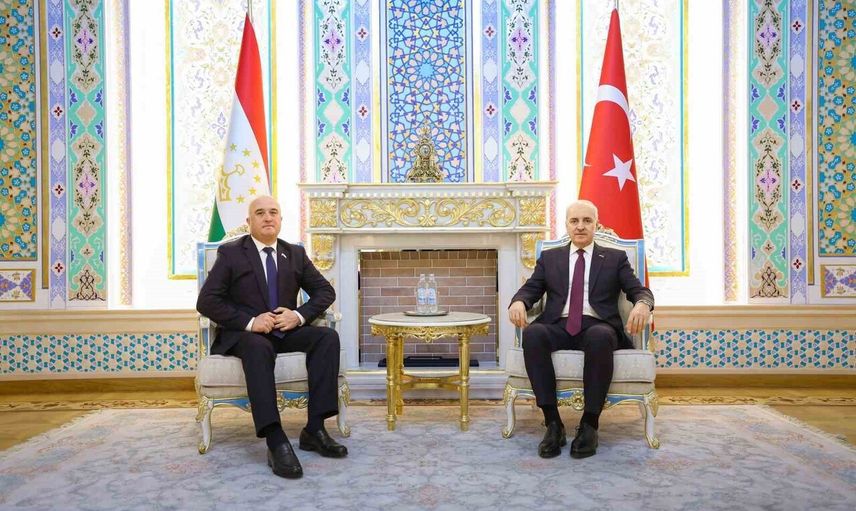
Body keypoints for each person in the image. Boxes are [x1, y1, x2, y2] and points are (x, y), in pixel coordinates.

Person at [197, 195, 346, 479]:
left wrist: (298, 316)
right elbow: (207, 302)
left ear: (280, 219)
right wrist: (251, 322)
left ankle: (315, 429)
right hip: (246, 335)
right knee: (258, 347)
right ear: (249, 221)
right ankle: (275, 439)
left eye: (273, 212)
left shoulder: (295, 253)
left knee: (327, 337)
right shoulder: (231, 253)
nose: (268, 217)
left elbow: (325, 291)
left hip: (285, 331)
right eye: (260, 213)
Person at [508, 200, 654, 459]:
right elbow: (531, 289)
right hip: (559, 324)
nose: (580, 226)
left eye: (587, 221)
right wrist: (519, 302)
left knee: (599, 336)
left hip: (598, 325)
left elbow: (638, 290)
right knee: (534, 333)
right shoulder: (550, 258)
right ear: (567, 225)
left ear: (596, 224)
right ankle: (553, 423)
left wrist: (643, 304)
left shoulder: (615, 258)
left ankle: (589, 424)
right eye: (574, 221)